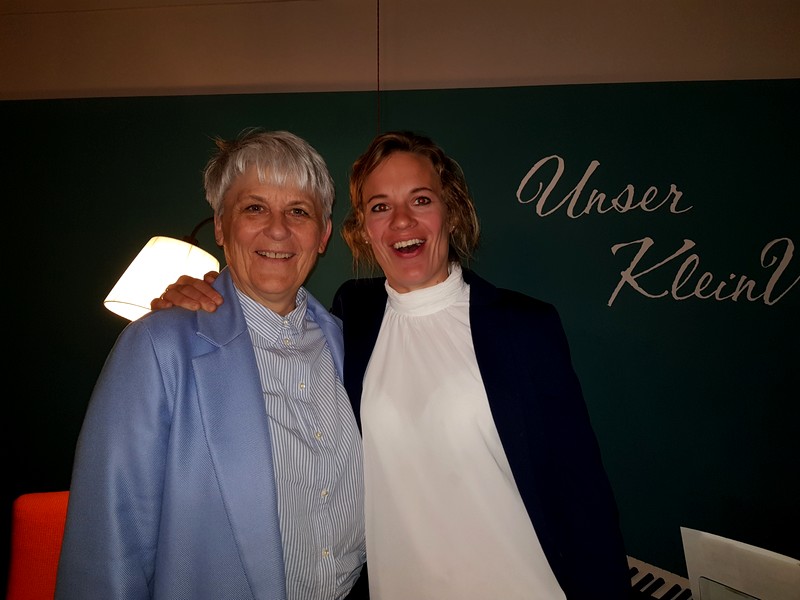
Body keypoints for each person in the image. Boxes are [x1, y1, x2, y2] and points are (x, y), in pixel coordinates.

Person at [157, 131, 630, 599]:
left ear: (451, 211)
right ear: (363, 228)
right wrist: (201, 295)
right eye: (380, 206)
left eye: (421, 200)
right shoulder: (352, 316)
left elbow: (583, 496)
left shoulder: (523, 327)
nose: (402, 220)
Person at [56, 129, 367, 600]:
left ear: (322, 234)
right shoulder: (157, 348)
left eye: (298, 211)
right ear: (221, 227)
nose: (277, 229)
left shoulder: (354, 347)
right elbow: (109, 545)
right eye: (254, 208)